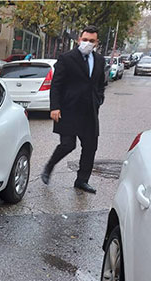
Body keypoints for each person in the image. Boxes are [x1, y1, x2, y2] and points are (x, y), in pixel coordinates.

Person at [41, 25, 106, 194]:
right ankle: (49, 166)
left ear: (96, 43)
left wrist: (99, 98)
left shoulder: (99, 60)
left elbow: (100, 83)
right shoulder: (66, 58)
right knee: (68, 144)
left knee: (90, 147)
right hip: (68, 110)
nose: (87, 43)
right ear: (79, 40)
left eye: (91, 41)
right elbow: (56, 84)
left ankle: (82, 180)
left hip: (90, 112)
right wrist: (54, 107)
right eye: (85, 40)